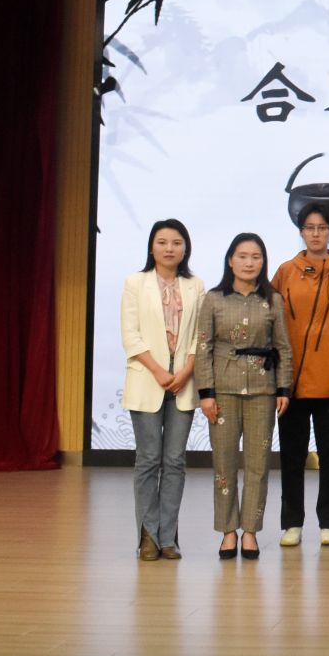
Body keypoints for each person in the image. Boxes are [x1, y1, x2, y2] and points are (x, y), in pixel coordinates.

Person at [194, 233, 292, 561]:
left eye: (256, 257)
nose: (249, 263)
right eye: (243, 256)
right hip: (222, 391)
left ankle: (250, 531)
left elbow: (283, 347)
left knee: (258, 465)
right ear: (230, 260)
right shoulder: (214, 299)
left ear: (263, 262)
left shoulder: (273, 300)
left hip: (263, 391)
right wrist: (206, 393)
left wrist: (284, 388)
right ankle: (228, 531)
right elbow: (203, 346)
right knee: (224, 464)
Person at [270, 205, 329, 549]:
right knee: (291, 457)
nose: (316, 233)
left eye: (322, 227)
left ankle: (328, 521)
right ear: (301, 232)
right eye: (310, 227)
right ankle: (292, 522)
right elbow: (271, 323)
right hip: (291, 382)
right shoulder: (285, 272)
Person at [120, 218, 205, 561]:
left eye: (176, 242)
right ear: (152, 247)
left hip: (183, 382)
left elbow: (201, 335)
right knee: (148, 459)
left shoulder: (195, 285)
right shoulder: (135, 282)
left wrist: (185, 371)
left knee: (174, 461)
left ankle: (168, 537)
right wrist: (158, 370)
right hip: (147, 378)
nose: (170, 248)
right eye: (162, 242)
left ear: (185, 248)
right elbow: (130, 334)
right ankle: (147, 535)